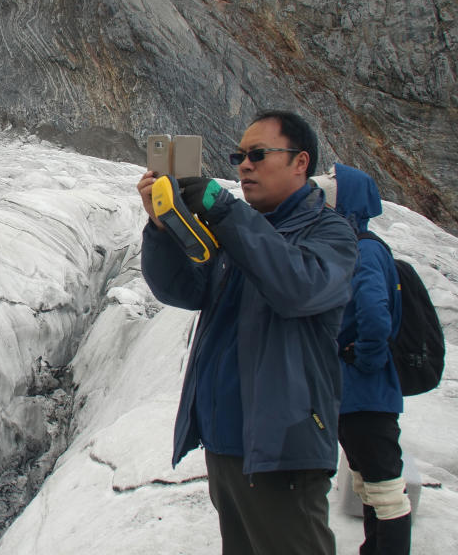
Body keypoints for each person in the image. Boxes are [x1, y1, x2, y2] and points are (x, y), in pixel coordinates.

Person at [137, 111, 358, 555]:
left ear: (300, 162)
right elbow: (183, 290)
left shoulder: (329, 232)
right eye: (240, 155)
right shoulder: (241, 230)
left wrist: (224, 209)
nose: (244, 165)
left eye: (258, 154)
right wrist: (162, 229)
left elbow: (296, 288)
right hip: (228, 445)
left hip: (282, 449)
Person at [312, 164, 411, 554]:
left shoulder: (364, 250)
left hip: (364, 391)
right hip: (355, 390)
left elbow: (373, 314)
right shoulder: (356, 246)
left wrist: (365, 360)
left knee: (385, 489)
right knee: (368, 482)